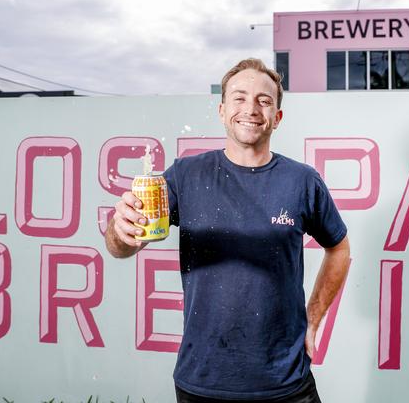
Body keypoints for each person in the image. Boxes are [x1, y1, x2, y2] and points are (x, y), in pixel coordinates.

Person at [105, 58, 350, 402]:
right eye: (239, 97)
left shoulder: (302, 181)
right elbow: (121, 247)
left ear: (277, 118)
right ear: (222, 111)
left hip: (286, 382)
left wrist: (313, 318)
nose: (251, 108)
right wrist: (120, 230)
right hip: (202, 381)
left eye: (264, 100)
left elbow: (339, 247)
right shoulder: (185, 176)